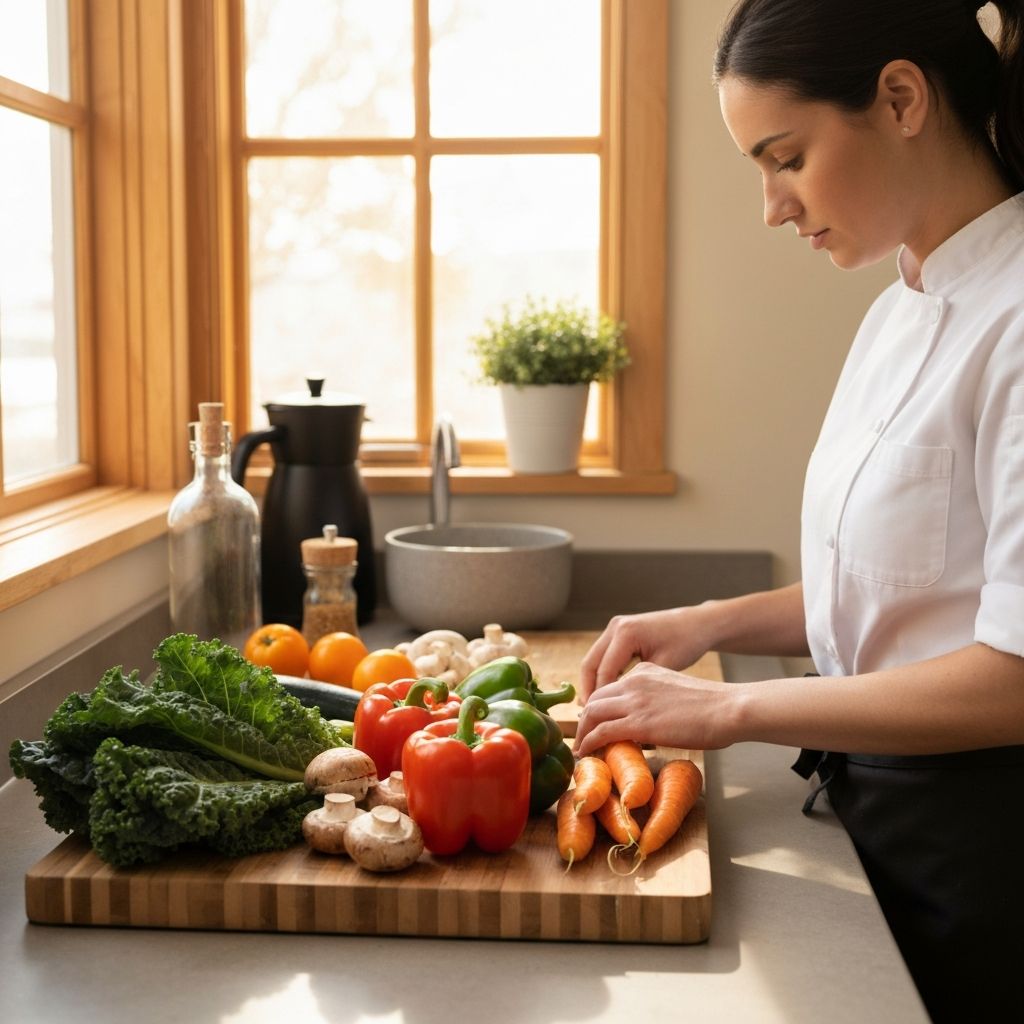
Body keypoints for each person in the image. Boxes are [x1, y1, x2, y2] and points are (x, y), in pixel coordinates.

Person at [573, 1, 1024, 1019]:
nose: (773, 207)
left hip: (985, 853)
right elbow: (912, 585)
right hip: (878, 821)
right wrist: (709, 623)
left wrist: (729, 710)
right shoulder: (898, 308)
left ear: (900, 99)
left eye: (786, 158)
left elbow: (1014, 676)